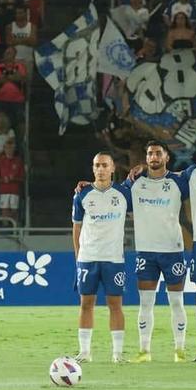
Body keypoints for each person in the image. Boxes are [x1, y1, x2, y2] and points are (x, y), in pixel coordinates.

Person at [125, 142, 189, 361]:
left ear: (166, 157)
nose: (154, 156)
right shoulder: (135, 184)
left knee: (177, 302)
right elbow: (110, 192)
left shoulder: (179, 181)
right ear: (146, 157)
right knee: (145, 303)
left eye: (158, 153)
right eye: (150, 153)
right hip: (146, 252)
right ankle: (144, 351)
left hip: (173, 250)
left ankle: (179, 350)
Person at [71, 152, 130, 364]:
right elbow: (76, 228)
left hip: (114, 258)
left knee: (115, 305)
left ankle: (117, 353)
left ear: (113, 168)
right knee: (86, 304)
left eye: (105, 165)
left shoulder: (125, 193)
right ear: (93, 168)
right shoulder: (82, 194)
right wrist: (79, 257)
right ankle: (85, 352)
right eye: (97, 165)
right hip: (88, 258)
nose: (101, 169)